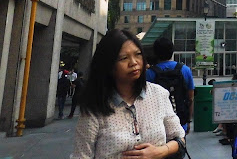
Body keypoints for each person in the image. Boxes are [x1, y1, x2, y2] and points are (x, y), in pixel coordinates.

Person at [70, 29, 184, 158]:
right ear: (108, 65)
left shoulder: (159, 94)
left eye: (138, 54)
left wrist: (160, 151)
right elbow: (81, 155)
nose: (134, 62)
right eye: (124, 58)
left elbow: (179, 138)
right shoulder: (94, 107)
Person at [146, 37, 195, 135]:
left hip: (158, 125)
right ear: (172, 51)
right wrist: (188, 121)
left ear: (155, 52)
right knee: (180, 147)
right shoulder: (185, 70)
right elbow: (190, 98)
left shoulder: (149, 74)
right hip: (180, 122)